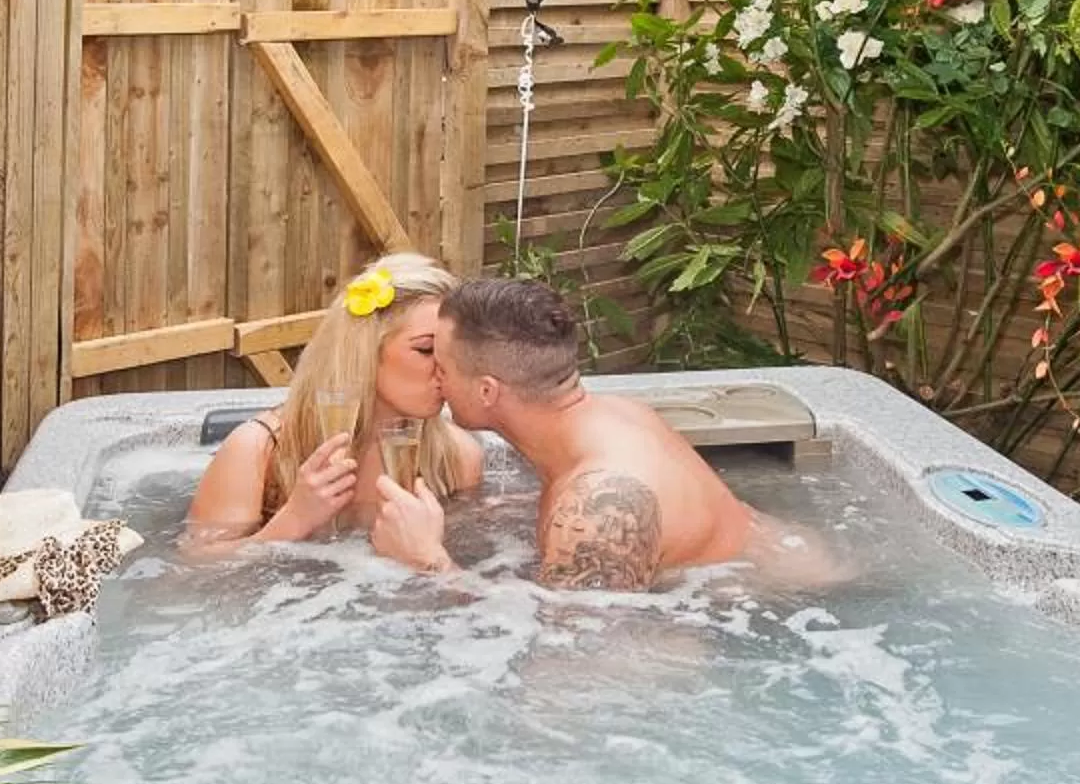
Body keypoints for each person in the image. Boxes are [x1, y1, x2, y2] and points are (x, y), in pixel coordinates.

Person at [372, 277, 756, 589]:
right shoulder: (616, 416)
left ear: (487, 390)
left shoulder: (602, 503)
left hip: (756, 601)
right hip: (759, 569)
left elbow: (570, 662)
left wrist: (428, 559)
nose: (434, 378)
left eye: (441, 366)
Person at [181, 252, 484, 558]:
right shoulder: (258, 451)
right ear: (364, 351)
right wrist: (293, 521)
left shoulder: (456, 458)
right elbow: (195, 569)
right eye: (426, 349)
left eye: (452, 352)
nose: (446, 366)